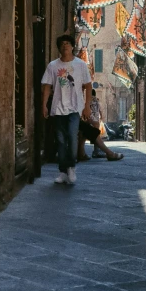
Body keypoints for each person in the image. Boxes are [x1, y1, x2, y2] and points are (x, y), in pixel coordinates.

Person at [42, 34, 91, 185]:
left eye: (68, 44)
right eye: (62, 44)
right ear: (59, 47)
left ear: (72, 47)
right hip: (57, 108)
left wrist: (87, 106)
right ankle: (63, 171)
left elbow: (88, 85)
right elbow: (47, 87)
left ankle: (72, 167)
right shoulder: (53, 66)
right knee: (61, 141)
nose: (65, 46)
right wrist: (44, 105)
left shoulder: (81, 65)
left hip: (75, 108)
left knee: (71, 136)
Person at [78, 89, 124, 162]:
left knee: (87, 129)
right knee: (88, 129)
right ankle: (107, 153)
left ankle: (83, 153)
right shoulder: (93, 100)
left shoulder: (87, 100)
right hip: (85, 118)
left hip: (85, 118)